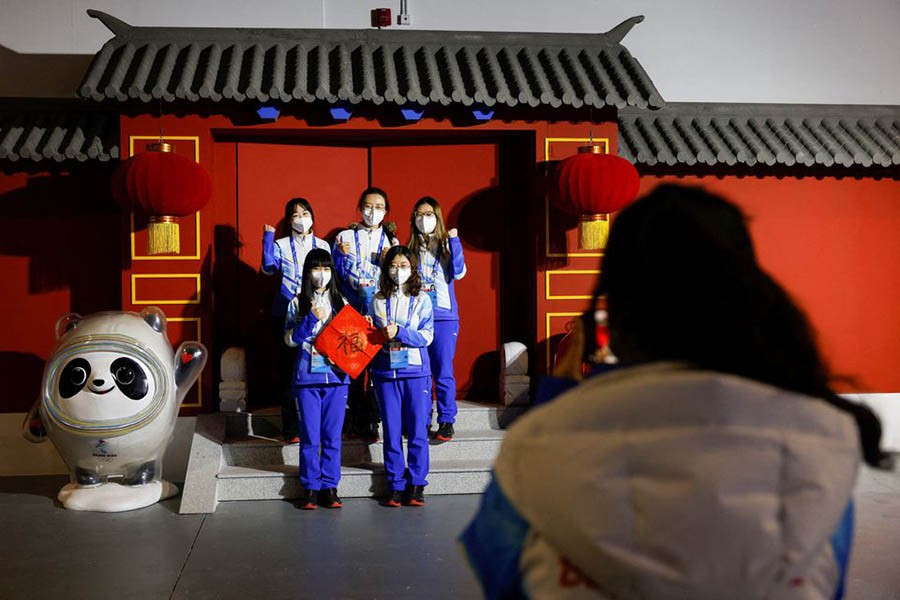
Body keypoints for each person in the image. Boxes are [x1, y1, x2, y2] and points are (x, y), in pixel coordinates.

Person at [460, 184, 890, 599]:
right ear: (749, 302)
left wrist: (557, 394)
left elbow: (504, 576)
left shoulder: (533, 449)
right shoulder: (821, 442)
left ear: (615, 312)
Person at [261, 197, 331, 443]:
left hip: (319, 313)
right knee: (288, 371)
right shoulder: (280, 244)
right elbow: (269, 269)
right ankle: (291, 427)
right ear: (289, 220)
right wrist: (267, 239)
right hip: (287, 312)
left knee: (320, 365)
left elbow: (331, 278)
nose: (301, 219)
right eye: (295, 215)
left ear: (312, 216)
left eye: (305, 213)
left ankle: (321, 424)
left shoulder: (322, 245)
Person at [283, 248, 349, 510]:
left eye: (326, 268)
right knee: (310, 436)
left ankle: (330, 487)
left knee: (332, 436)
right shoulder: (296, 302)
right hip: (307, 379)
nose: (321, 274)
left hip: (336, 378)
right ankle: (310, 487)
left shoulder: (342, 302)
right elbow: (289, 340)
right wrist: (310, 318)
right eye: (316, 268)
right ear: (307, 272)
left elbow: (351, 340)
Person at [369, 246, 434, 507]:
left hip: (416, 371)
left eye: (404, 265)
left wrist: (401, 333)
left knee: (417, 430)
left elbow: (427, 336)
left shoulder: (422, 299)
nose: (398, 271)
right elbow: (372, 336)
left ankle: (416, 484)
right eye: (394, 266)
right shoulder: (377, 299)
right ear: (386, 269)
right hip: (386, 372)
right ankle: (395, 484)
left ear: (412, 268)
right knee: (391, 431)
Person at [333, 187, 399, 441]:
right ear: (360, 208)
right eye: (368, 206)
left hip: (379, 312)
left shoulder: (392, 241)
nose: (373, 212)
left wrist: (388, 260)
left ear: (386, 211)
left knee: (376, 369)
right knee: (352, 367)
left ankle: (372, 420)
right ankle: (353, 418)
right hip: (350, 310)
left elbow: (397, 278)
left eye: (379, 207)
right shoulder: (345, 236)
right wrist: (340, 256)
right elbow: (336, 275)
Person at [408, 196, 466, 442]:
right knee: (421, 372)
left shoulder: (447, 245)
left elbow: (459, 272)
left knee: (442, 370)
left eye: (429, 214)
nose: (424, 219)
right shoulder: (410, 248)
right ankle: (422, 420)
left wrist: (454, 242)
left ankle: (446, 419)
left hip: (443, 317)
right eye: (419, 215)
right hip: (417, 319)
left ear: (437, 217)